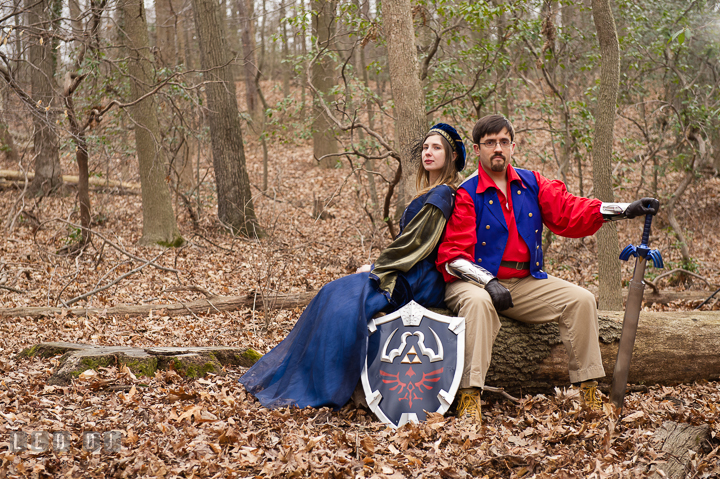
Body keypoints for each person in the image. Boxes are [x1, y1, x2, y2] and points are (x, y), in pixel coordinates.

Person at [436, 114, 660, 421]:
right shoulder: (466, 193)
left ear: (512, 146)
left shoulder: (531, 183)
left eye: (503, 141)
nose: (497, 148)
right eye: (490, 143)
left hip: (524, 280)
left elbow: (569, 211)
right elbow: (453, 256)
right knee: (477, 306)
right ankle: (469, 397)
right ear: (477, 149)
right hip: (473, 283)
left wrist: (625, 209)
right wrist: (488, 283)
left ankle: (588, 391)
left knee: (580, 299)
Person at [240, 123, 466, 410]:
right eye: (425, 147)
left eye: (436, 148)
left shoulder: (442, 194)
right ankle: (306, 379)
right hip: (405, 270)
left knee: (343, 302)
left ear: (451, 157)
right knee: (331, 294)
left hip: (415, 277)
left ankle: (328, 387)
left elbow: (415, 245)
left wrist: (377, 268)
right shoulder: (431, 192)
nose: (428, 153)